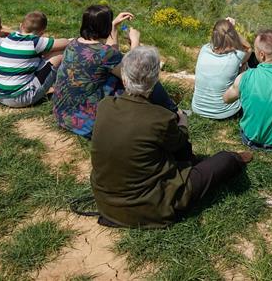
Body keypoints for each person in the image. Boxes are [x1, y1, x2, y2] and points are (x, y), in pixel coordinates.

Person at [90, 46, 253, 228]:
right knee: (224, 159)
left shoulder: (105, 106)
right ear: (155, 79)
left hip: (106, 204)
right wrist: (182, 122)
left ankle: (193, 165)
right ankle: (234, 159)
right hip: (152, 208)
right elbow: (180, 143)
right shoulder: (160, 117)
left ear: (125, 78)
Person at [52, 5, 180, 139]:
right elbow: (135, 73)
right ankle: (173, 113)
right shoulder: (105, 54)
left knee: (117, 74)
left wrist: (113, 26)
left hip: (63, 114)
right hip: (88, 124)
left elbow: (110, 54)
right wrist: (135, 41)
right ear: (104, 27)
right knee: (145, 79)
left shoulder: (73, 44)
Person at [0, 11, 68, 108]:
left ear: (21, 25)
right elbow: (65, 42)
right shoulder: (35, 42)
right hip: (19, 98)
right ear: (42, 32)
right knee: (59, 55)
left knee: (42, 54)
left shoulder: (10, 37)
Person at [191, 18, 251, 120]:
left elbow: (216, 42)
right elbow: (248, 48)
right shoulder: (237, 56)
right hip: (227, 112)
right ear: (232, 35)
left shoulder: (204, 49)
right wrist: (233, 29)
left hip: (197, 109)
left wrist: (223, 30)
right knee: (246, 66)